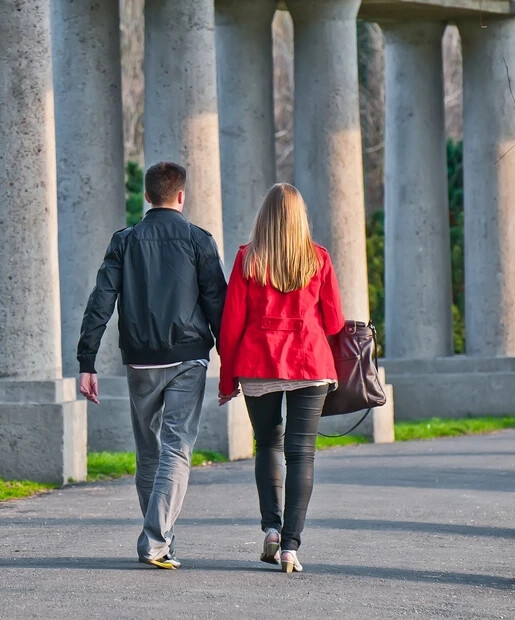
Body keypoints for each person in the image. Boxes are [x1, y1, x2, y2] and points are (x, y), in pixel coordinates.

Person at [77, 161, 227, 570]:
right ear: (182, 195)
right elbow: (218, 305)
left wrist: (86, 361)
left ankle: (160, 538)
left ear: (147, 196)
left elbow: (100, 302)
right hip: (188, 357)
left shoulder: (124, 241)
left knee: (149, 453)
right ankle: (156, 540)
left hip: (140, 360)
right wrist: (230, 361)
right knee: (176, 448)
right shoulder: (199, 240)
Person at [217, 183, 345, 573]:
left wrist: (226, 381)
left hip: (259, 364)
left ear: (265, 217)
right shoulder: (318, 259)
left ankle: (271, 528)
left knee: (268, 445)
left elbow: (230, 327)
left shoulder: (246, 260)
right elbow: (336, 321)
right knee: (300, 453)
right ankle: (290, 547)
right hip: (308, 363)